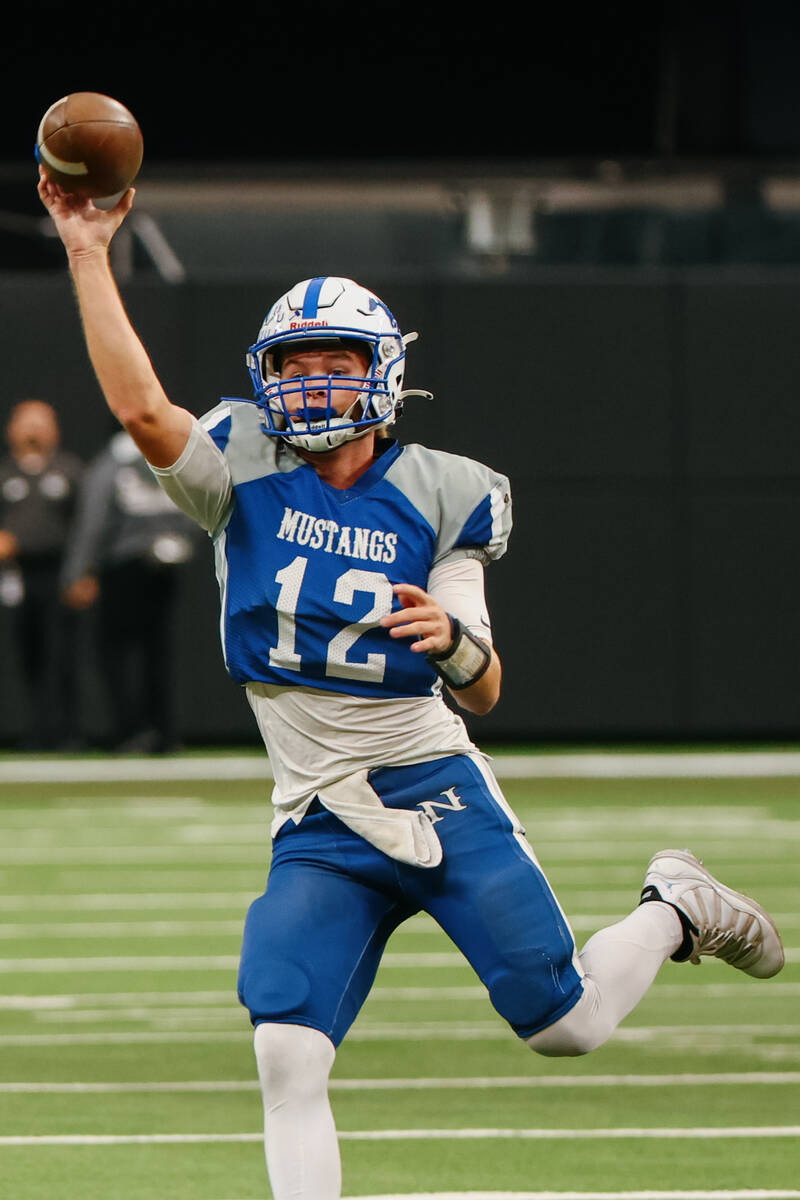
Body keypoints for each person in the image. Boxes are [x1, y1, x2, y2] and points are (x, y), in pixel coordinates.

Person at [38, 170, 785, 1200]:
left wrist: (451, 642)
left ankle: (674, 908)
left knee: (565, 1024)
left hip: (431, 786)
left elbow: (484, 693)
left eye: (334, 362)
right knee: (284, 1048)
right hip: (319, 815)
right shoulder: (239, 469)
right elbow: (137, 405)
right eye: (292, 364)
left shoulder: (441, 494)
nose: (309, 383)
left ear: (382, 372)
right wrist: (86, 248)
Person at [61, 427, 199, 753]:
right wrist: (181, 541)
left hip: (123, 565)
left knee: (118, 653)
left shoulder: (112, 461)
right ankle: (163, 731)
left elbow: (94, 519)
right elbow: (198, 503)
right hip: (163, 563)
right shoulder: (169, 455)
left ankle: (132, 730)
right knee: (158, 652)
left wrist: (78, 572)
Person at [0, 399, 84, 748]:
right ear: (12, 430)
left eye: (41, 423)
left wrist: (82, 572)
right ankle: (33, 731)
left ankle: (67, 732)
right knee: (27, 654)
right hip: (16, 576)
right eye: (27, 423)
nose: (33, 430)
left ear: (55, 430)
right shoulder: (5, 473)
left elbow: (85, 525)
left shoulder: (69, 471)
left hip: (59, 575)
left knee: (62, 654)